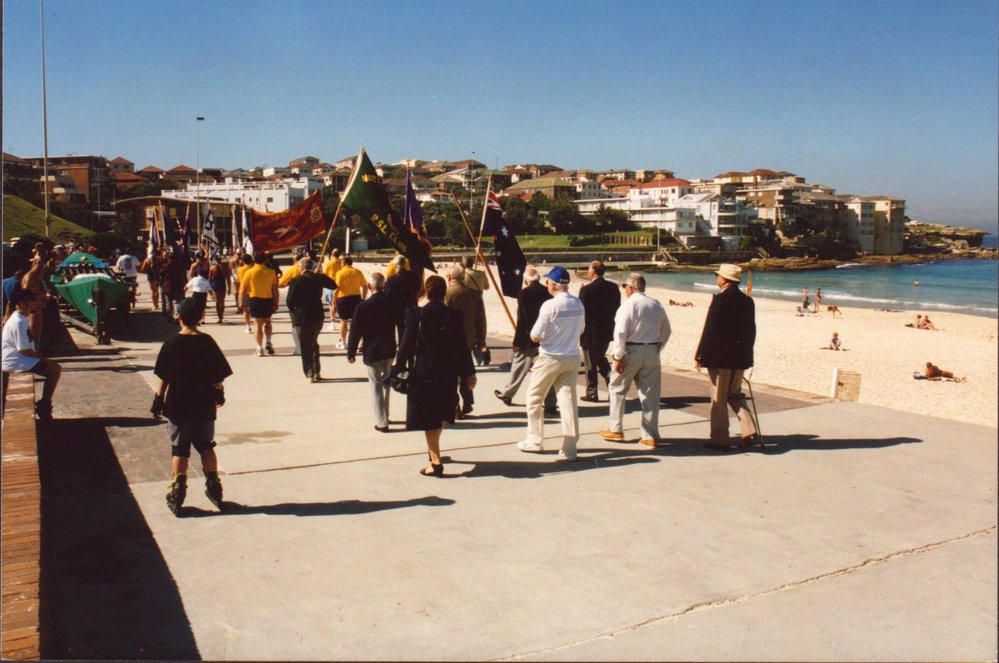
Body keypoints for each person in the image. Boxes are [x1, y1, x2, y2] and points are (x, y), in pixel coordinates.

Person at [151, 298, 233, 516]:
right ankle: (214, 485)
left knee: (180, 449)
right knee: (206, 445)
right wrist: (219, 394)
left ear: (179, 317)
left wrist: (158, 401)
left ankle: (178, 491)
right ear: (200, 318)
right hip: (203, 403)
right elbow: (219, 376)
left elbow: (163, 378)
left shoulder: (171, 343)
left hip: (178, 404)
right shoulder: (208, 341)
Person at [394, 275, 476, 477]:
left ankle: (436, 461)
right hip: (448, 372)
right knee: (439, 414)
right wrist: (469, 372)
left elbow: (406, 344)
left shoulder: (417, 314)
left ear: (426, 292)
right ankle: (434, 452)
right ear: (444, 292)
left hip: (424, 372)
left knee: (429, 417)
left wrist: (398, 367)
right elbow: (462, 348)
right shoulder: (454, 315)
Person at [515, 266, 585, 461]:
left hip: (550, 357)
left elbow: (535, 335)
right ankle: (570, 448)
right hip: (571, 356)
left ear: (553, 284)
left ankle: (535, 440)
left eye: (549, 282)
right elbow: (581, 330)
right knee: (568, 402)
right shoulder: (578, 303)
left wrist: (546, 336)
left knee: (535, 398)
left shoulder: (550, 305)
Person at [599, 273, 671, 449]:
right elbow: (667, 330)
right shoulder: (656, 305)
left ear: (630, 288)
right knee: (650, 394)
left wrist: (617, 356)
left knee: (617, 388)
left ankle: (616, 428)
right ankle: (649, 434)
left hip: (631, 350)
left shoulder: (628, 305)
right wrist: (657, 348)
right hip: (651, 349)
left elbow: (620, 333)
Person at [695, 264, 758, 451]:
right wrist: (747, 355)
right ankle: (749, 428)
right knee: (735, 393)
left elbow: (710, 330)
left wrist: (700, 354)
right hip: (739, 357)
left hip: (720, 358)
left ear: (724, 279)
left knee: (718, 398)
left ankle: (720, 439)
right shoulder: (747, 301)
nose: (717, 278)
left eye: (718, 276)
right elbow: (751, 332)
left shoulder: (720, 299)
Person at [493, 266, 556, 413]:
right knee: (548, 371)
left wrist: (516, 342)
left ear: (526, 280)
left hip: (528, 336)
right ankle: (551, 403)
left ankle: (508, 394)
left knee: (519, 366)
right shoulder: (547, 292)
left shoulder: (524, 293)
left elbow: (522, 319)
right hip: (546, 336)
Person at [347, 272, 397, 431]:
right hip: (389, 349)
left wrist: (351, 353)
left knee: (375, 386)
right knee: (386, 385)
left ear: (369, 287)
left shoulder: (362, 307)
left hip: (372, 351)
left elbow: (355, 331)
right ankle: (385, 414)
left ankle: (382, 422)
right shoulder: (392, 303)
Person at [2, 290, 62, 421]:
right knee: (55, 369)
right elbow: (24, 349)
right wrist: (42, 359)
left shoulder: (21, 318)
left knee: (53, 367)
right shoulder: (18, 322)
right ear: (23, 303)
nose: (36, 303)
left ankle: (44, 404)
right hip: (15, 361)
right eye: (33, 300)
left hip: (18, 358)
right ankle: (44, 405)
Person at [286, 257, 336, 382]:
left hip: (303, 316)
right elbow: (333, 284)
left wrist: (293, 312)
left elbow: (289, 300)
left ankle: (310, 372)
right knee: (314, 342)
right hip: (317, 315)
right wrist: (321, 274)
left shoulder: (296, 280)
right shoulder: (318, 277)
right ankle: (316, 371)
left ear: (301, 267)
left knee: (305, 345)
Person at [445, 265, 487, 417]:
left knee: (451, 376)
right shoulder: (475, 295)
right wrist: (481, 342)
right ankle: (467, 401)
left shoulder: (446, 293)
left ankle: (455, 406)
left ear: (449, 278)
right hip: (467, 341)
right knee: (465, 373)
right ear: (463, 278)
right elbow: (481, 321)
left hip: (449, 341)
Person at [578, 260, 620, 402]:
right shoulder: (613, 288)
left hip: (590, 331)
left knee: (590, 362)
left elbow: (581, 312)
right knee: (600, 357)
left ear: (593, 272)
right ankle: (610, 381)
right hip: (606, 330)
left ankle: (592, 392)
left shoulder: (586, 290)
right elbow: (616, 309)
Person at [240, 252, 279, 356]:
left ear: (254, 260)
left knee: (257, 324)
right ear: (265, 260)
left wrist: (241, 302)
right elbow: (275, 289)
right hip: (268, 299)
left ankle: (259, 348)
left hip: (255, 299)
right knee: (268, 322)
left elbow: (243, 289)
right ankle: (268, 341)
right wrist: (277, 302)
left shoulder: (249, 272)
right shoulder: (271, 272)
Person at [333, 256, 368, 350]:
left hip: (343, 299)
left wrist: (333, 302)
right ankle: (361, 342)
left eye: (341, 263)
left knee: (343, 321)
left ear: (344, 263)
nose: (340, 264)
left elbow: (336, 289)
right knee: (357, 321)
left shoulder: (339, 273)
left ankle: (343, 342)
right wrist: (363, 299)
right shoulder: (358, 272)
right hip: (356, 298)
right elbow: (365, 286)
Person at [20, 258, 48, 349]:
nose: (40, 269)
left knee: (37, 332)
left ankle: (36, 350)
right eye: (38, 267)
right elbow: (25, 291)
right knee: (32, 332)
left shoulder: (38, 276)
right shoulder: (30, 276)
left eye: (42, 267)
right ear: (33, 265)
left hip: (38, 307)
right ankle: (32, 351)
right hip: (33, 309)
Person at [323, 248, 344, 330]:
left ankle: (332, 322)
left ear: (332, 254)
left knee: (331, 305)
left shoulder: (330, 263)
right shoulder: (342, 262)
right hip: (341, 285)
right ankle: (343, 320)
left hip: (331, 285)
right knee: (339, 304)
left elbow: (325, 273)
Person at [234, 253, 254, 333]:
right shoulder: (254, 268)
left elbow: (238, 280)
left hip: (244, 291)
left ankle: (248, 327)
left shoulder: (239, 270)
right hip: (253, 290)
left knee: (245, 311)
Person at [208, 255, 229, 324]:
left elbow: (209, 280)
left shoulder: (215, 268)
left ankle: (220, 317)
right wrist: (210, 290)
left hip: (218, 286)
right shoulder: (215, 268)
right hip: (218, 286)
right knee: (220, 302)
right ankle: (220, 316)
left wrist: (210, 289)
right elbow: (210, 279)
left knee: (219, 302)